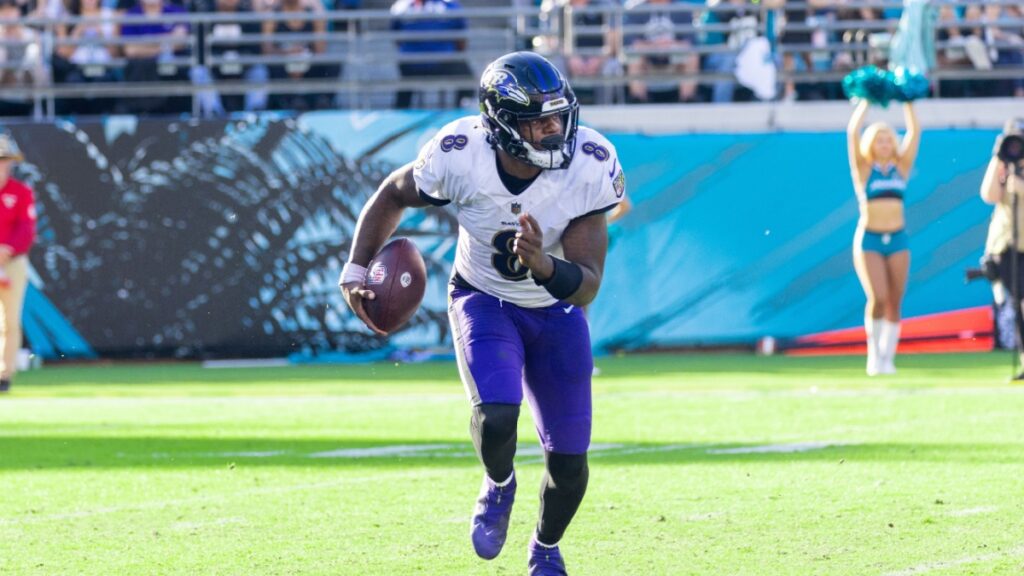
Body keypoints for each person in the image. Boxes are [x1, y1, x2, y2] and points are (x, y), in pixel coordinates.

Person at [339, 51, 625, 575]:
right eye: (538, 121)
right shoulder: (459, 151)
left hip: (556, 312)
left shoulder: (591, 161)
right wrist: (356, 269)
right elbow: (393, 194)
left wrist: (542, 265)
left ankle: (544, 547)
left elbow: (586, 286)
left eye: (559, 116)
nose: (553, 129)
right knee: (496, 417)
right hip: (483, 299)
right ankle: (499, 484)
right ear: (502, 124)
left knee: (570, 466)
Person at [847, 99, 920, 376]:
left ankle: (888, 357)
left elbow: (915, 132)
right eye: (879, 140)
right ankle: (874, 354)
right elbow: (852, 133)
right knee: (877, 296)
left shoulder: (901, 169)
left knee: (895, 298)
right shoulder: (865, 170)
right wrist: (866, 101)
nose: (885, 144)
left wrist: (908, 102)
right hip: (870, 240)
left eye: (888, 139)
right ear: (871, 145)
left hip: (898, 237)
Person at [980, 118, 1024, 378]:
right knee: (1018, 304)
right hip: (1006, 246)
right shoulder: (1003, 166)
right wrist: (998, 159)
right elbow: (989, 196)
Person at [0, 135, 36, 393]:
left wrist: (7, 250)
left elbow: (27, 228)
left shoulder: (21, 192)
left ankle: (4, 373)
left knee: (10, 320)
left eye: (6, 161)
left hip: (12, 261)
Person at [390, 0, 473, 109]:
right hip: (444, 63)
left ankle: (399, 114)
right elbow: (461, 40)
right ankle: (462, 110)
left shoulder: (400, 6)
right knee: (467, 78)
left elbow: (396, 39)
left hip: (411, 64)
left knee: (404, 83)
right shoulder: (450, 4)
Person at [625, 0, 699, 104]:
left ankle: (687, 100)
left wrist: (670, 45)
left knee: (691, 57)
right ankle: (638, 101)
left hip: (674, 59)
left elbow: (689, 42)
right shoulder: (636, 9)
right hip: (648, 60)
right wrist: (655, 46)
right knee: (634, 57)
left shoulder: (682, 9)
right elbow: (632, 43)